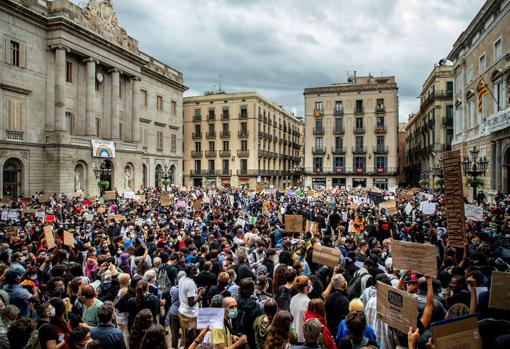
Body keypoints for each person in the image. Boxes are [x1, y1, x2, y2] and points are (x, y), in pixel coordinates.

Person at [178, 265, 205, 348]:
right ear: (191, 272)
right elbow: (191, 303)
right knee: (191, 337)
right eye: (195, 271)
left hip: (182, 311)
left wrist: (196, 291)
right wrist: (200, 295)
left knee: (184, 335)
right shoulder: (190, 283)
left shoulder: (182, 279)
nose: (196, 272)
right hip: (190, 315)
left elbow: (186, 292)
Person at [235, 278, 262, 349]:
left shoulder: (234, 303)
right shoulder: (256, 306)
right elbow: (259, 322)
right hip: (251, 336)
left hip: (236, 335)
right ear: (252, 290)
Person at [290, 276, 312, 344]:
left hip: (293, 335)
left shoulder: (293, 298)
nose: (311, 285)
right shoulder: (308, 301)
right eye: (310, 284)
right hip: (303, 337)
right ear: (305, 288)